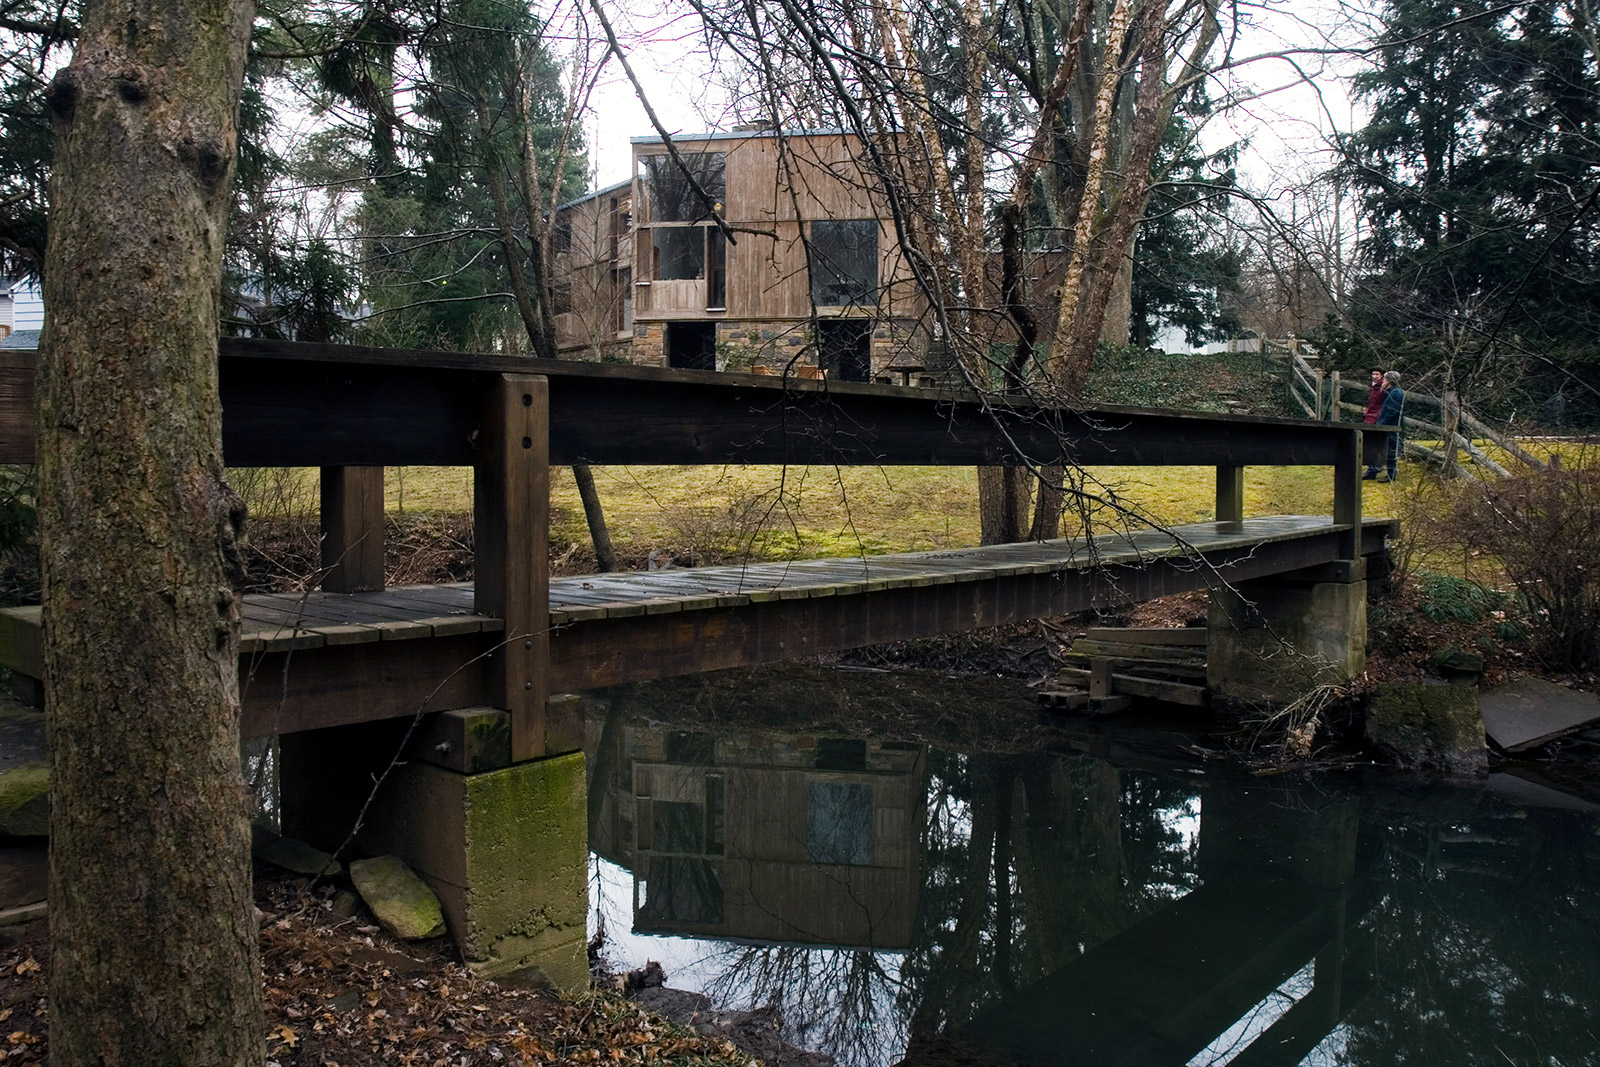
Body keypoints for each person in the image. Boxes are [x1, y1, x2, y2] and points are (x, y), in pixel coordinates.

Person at [1371, 371, 1404, 482]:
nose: (1383, 381)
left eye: (1385, 379)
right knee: (1380, 448)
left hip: (1391, 426)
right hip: (1385, 424)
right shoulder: (1389, 392)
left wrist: (1383, 424)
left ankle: (1391, 474)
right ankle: (1373, 471)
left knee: (1391, 450)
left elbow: (1392, 411)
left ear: (1389, 380)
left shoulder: (1396, 393)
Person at [1361, 367, 1386, 478]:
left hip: (1376, 418)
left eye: (1377, 374)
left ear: (1381, 376)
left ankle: (1374, 468)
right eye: (1373, 374)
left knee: (1373, 443)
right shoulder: (1373, 387)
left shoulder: (1382, 388)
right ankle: (1373, 467)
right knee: (1370, 443)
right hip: (1370, 416)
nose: (1374, 376)